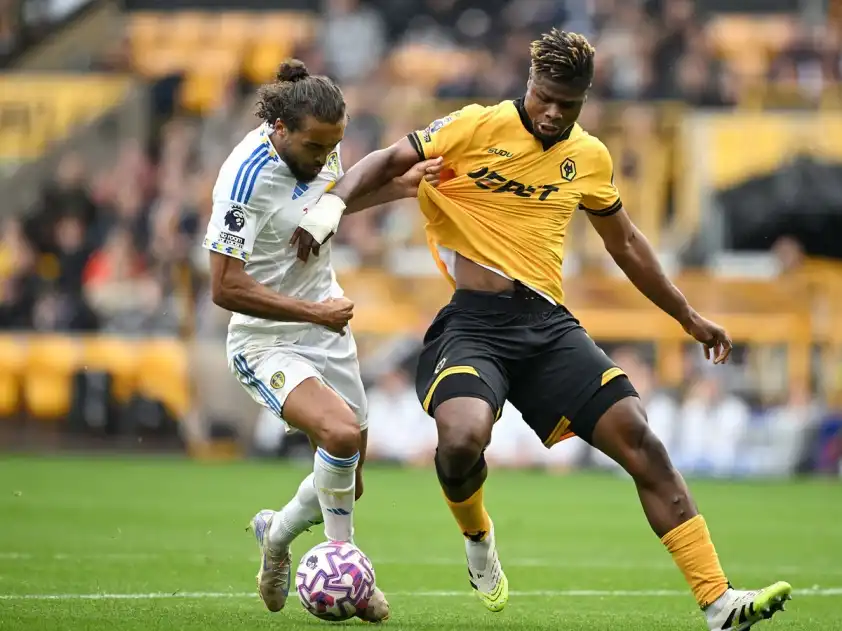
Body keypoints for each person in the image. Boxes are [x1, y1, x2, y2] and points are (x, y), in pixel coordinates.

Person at [291, 30, 792, 631]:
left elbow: (626, 244)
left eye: (568, 103)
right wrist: (332, 206)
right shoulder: (476, 126)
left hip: (548, 326)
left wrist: (687, 316)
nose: (553, 112)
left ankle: (719, 602)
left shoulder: (590, 157)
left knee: (641, 441)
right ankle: (478, 537)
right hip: (474, 323)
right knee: (461, 439)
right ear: (529, 83)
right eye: (544, 97)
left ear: (585, 99)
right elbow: (388, 160)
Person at [203, 59, 440, 621]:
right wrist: (313, 311)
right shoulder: (244, 178)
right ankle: (347, 569)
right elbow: (224, 286)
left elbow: (328, 198)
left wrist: (399, 189)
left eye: (333, 146)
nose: (324, 157)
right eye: (315, 147)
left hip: (325, 324)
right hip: (265, 338)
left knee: (349, 482)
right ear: (280, 128)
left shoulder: (319, 143)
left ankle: (276, 535)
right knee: (338, 433)